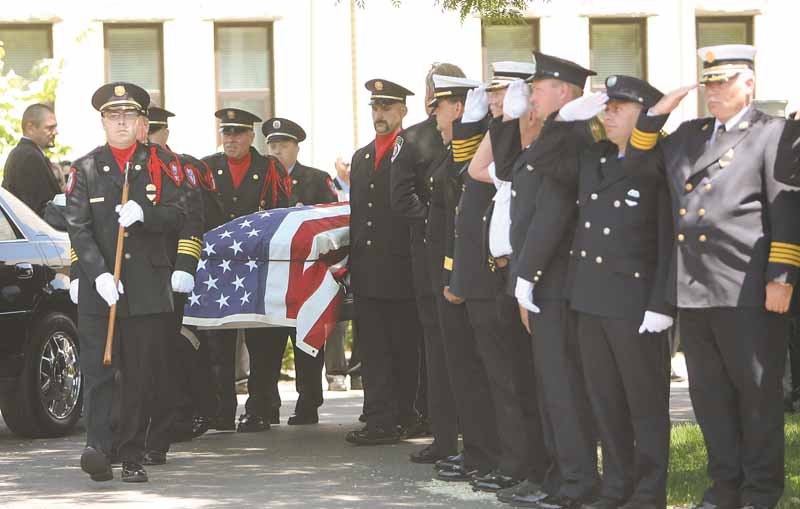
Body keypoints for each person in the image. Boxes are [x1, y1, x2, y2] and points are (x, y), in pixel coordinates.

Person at [626, 44, 800, 509]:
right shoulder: (688, 134)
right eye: (710, 83)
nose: (715, 91)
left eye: (725, 81)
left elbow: (786, 207)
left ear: (749, 84)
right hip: (695, 287)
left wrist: (782, 274)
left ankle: (760, 491)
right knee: (710, 400)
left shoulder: (773, 133)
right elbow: (641, 162)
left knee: (757, 398)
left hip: (747, 286)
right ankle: (724, 487)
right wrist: (656, 115)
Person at [539, 76, 674, 508]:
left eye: (620, 106)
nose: (608, 113)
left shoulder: (659, 163)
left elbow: (670, 238)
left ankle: (649, 491)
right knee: (606, 404)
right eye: (607, 106)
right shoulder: (593, 157)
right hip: (591, 300)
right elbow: (540, 163)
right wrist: (561, 122)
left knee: (645, 405)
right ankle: (617, 486)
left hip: (635, 306)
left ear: (645, 114)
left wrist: (661, 303)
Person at [491, 52, 602, 508]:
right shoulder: (551, 136)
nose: (530, 93)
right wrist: (506, 120)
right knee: (549, 385)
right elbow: (503, 167)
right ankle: (560, 478)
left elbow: (552, 215)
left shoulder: (570, 136)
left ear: (565, 92)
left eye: (538, 87)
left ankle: (577, 484)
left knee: (563, 386)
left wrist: (527, 277)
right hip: (542, 281)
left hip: (554, 281)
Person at [65, 82, 186, 483]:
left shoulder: (159, 165)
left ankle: (132, 453)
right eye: (113, 116)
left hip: (147, 288)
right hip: (102, 288)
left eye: (128, 116)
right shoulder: (84, 168)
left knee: (138, 374)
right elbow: (78, 228)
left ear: (139, 123)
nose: (120, 122)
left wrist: (146, 214)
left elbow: (179, 214)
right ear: (102, 121)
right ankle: (98, 447)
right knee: (99, 371)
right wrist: (98, 273)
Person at [239, 117, 338, 426]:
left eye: (283, 145)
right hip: (266, 277)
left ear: (296, 147)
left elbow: (331, 222)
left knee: (306, 343)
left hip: (305, 277)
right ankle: (261, 406)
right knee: (262, 345)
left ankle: (308, 404)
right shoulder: (258, 178)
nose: (276, 150)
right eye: (272, 144)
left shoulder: (316, 179)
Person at [390, 62, 466, 463]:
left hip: (470, 260)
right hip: (430, 259)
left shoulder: (477, 133)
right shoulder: (413, 138)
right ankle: (444, 435)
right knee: (438, 351)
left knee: (470, 351)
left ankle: (478, 435)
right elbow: (400, 198)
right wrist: (440, 222)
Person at [199, 108, 290, 433]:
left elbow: (282, 212)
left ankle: (258, 409)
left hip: (258, 268)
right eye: (226, 133)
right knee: (218, 346)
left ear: (252, 136)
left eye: (238, 133)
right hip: (219, 269)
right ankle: (221, 410)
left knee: (261, 344)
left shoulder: (268, 168)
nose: (231, 139)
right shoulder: (208, 167)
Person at [344, 79, 422, 445]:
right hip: (367, 269)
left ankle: (405, 416)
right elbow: (358, 214)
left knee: (404, 347)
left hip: (403, 267)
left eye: (387, 108)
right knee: (373, 350)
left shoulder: (414, 150)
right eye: (376, 108)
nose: (380, 115)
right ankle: (378, 418)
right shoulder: (361, 157)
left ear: (403, 112)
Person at [138, 106, 205, 464]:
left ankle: (157, 438)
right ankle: (126, 433)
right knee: (128, 361)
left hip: (166, 275)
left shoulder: (178, 168)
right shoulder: (109, 164)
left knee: (161, 358)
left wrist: (184, 266)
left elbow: (192, 220)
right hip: (128, 277)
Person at [2, 103, 61, 215]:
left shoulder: (26, 153)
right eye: (50, 127)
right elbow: (41, 210)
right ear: (30, 128)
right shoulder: (28, 156)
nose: (56, 132)